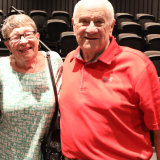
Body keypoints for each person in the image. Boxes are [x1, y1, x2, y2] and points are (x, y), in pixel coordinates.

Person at [59, 0, 160, 159]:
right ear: (74, 24)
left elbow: (158, 126)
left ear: (111, 26)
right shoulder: (69, 60)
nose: (91, 29)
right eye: (84, 21)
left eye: (99, 22)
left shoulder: (138, 65)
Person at [0, 14, 63, 159]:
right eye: (16, 37)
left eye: (28, 34)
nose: (24, 41)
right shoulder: (1, 67)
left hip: (44, 154)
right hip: (6, 154)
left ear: (37, 37)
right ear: (7, 45)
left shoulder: (54, 61)